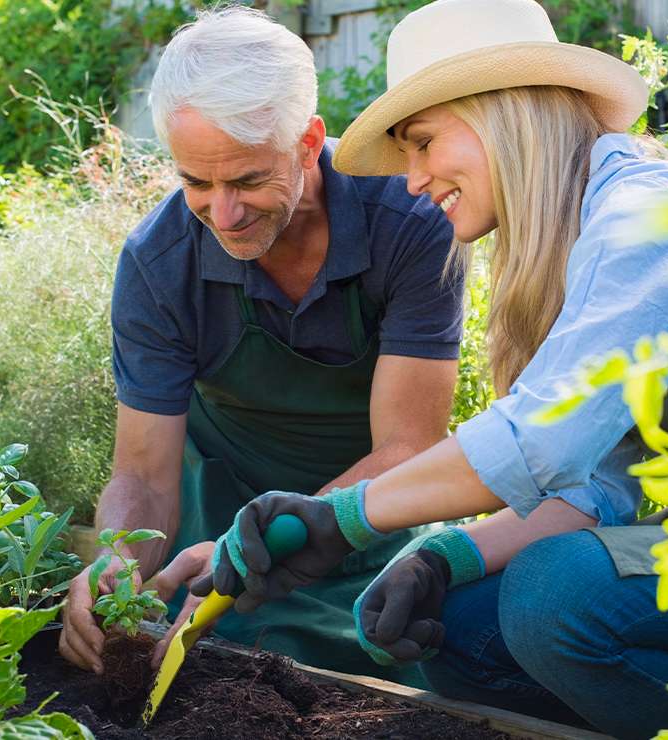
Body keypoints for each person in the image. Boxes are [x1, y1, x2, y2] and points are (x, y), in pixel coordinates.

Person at [198, 0, 668, 736]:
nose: (411, 179)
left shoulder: (650, 222)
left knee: (552, 593)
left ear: (504, 113)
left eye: (424, 142)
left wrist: (343, 518)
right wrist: (445, 557)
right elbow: (603, 489)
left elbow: (538, 441)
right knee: (456, 621)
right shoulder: (582, 239)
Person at [57, 6, 463, 681]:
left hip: (370, 516)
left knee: (405, 680)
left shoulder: (408, 224)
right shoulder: (160, 264)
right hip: (215, 524)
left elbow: (408, 447)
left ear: (308, 143)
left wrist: (270, 544)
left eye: (247, 180)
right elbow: (144, 476)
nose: (224, 213)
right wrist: (116, 564)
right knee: (214, 675)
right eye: (195, 182)